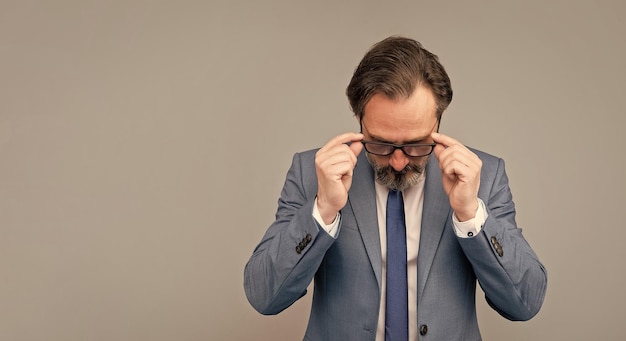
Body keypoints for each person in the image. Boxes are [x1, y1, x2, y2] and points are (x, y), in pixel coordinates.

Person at [244, 36, 547, 341]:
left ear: (438, 121)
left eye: (416, 144)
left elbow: (525, 304)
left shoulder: (485, 175)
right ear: (359, 119)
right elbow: (264, 297)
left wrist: (471, 215)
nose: (400, 162)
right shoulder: (313, 172)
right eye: (381, 143)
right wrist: (322, 210)